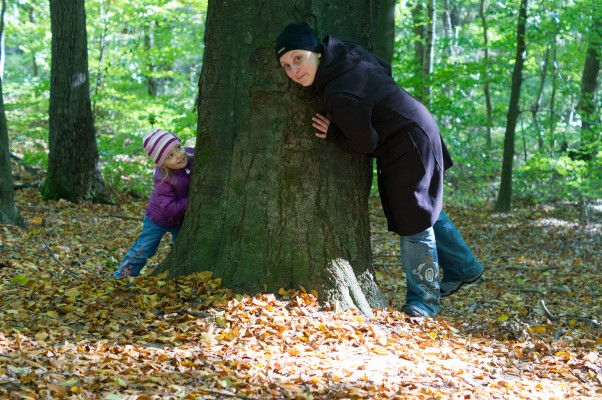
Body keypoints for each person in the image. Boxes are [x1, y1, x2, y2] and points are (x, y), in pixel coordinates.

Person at [275, 22, 484, 317]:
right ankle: (464, 267)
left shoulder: (340, 92)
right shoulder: (345, 56)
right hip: (417, 128)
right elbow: (383, 67)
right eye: (286, 66)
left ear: (317, 52)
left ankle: (424, 302)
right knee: (423, 208)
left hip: (408, 144)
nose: (294, 70)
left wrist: (335, 133)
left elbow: (364, 142)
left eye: (298, 58)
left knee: (413, 220)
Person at [113, 128, 194, 278]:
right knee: (144, 248)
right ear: (162, 163)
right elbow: (170, 207)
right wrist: (192, 200)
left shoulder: (190, 155)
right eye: (170, 155)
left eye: (178, 147)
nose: (179, 155)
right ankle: (122, 276)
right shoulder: (163, 179)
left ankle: (186, 274)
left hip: (180, 220)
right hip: (157, 219)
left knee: (185, 245)